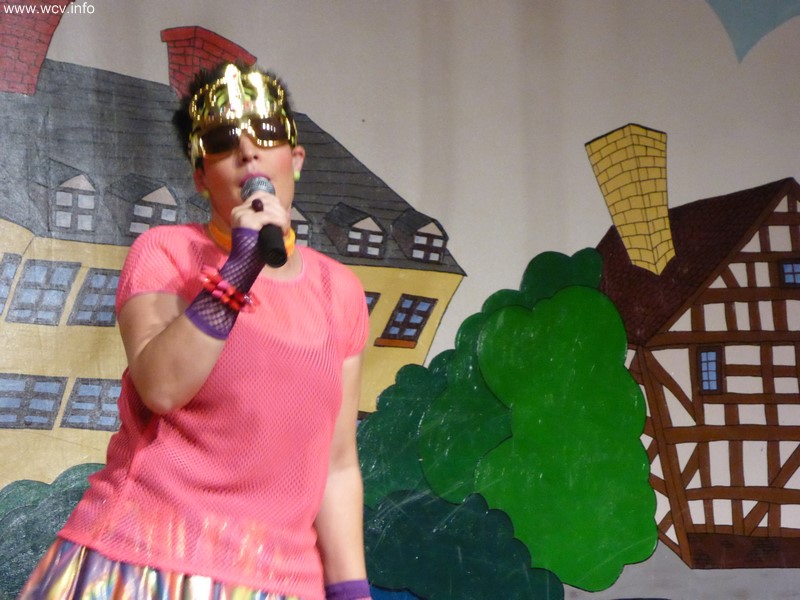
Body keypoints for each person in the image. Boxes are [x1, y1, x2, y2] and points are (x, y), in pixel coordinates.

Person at [19, 62, 372, 600]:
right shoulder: (166, 252)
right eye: (224, 141)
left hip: (280, 580)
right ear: (201, 176)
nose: (248, 152)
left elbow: (337, 464)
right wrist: (239, 269)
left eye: (267, 133)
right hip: (143, 562)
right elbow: (161, 387)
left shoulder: (339, 290)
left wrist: (350, 590)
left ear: (296, 160)